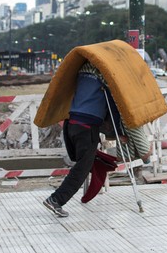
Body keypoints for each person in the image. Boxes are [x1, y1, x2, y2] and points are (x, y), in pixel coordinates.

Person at [43, 61, 151, 217]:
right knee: (83, 167)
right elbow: (113, 109)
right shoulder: (105, 78)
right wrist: (119, 133)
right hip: (87, 127)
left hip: (71, 124)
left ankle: (63, 197)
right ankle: (56, 200)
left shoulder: (81, 74)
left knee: (84, 162)